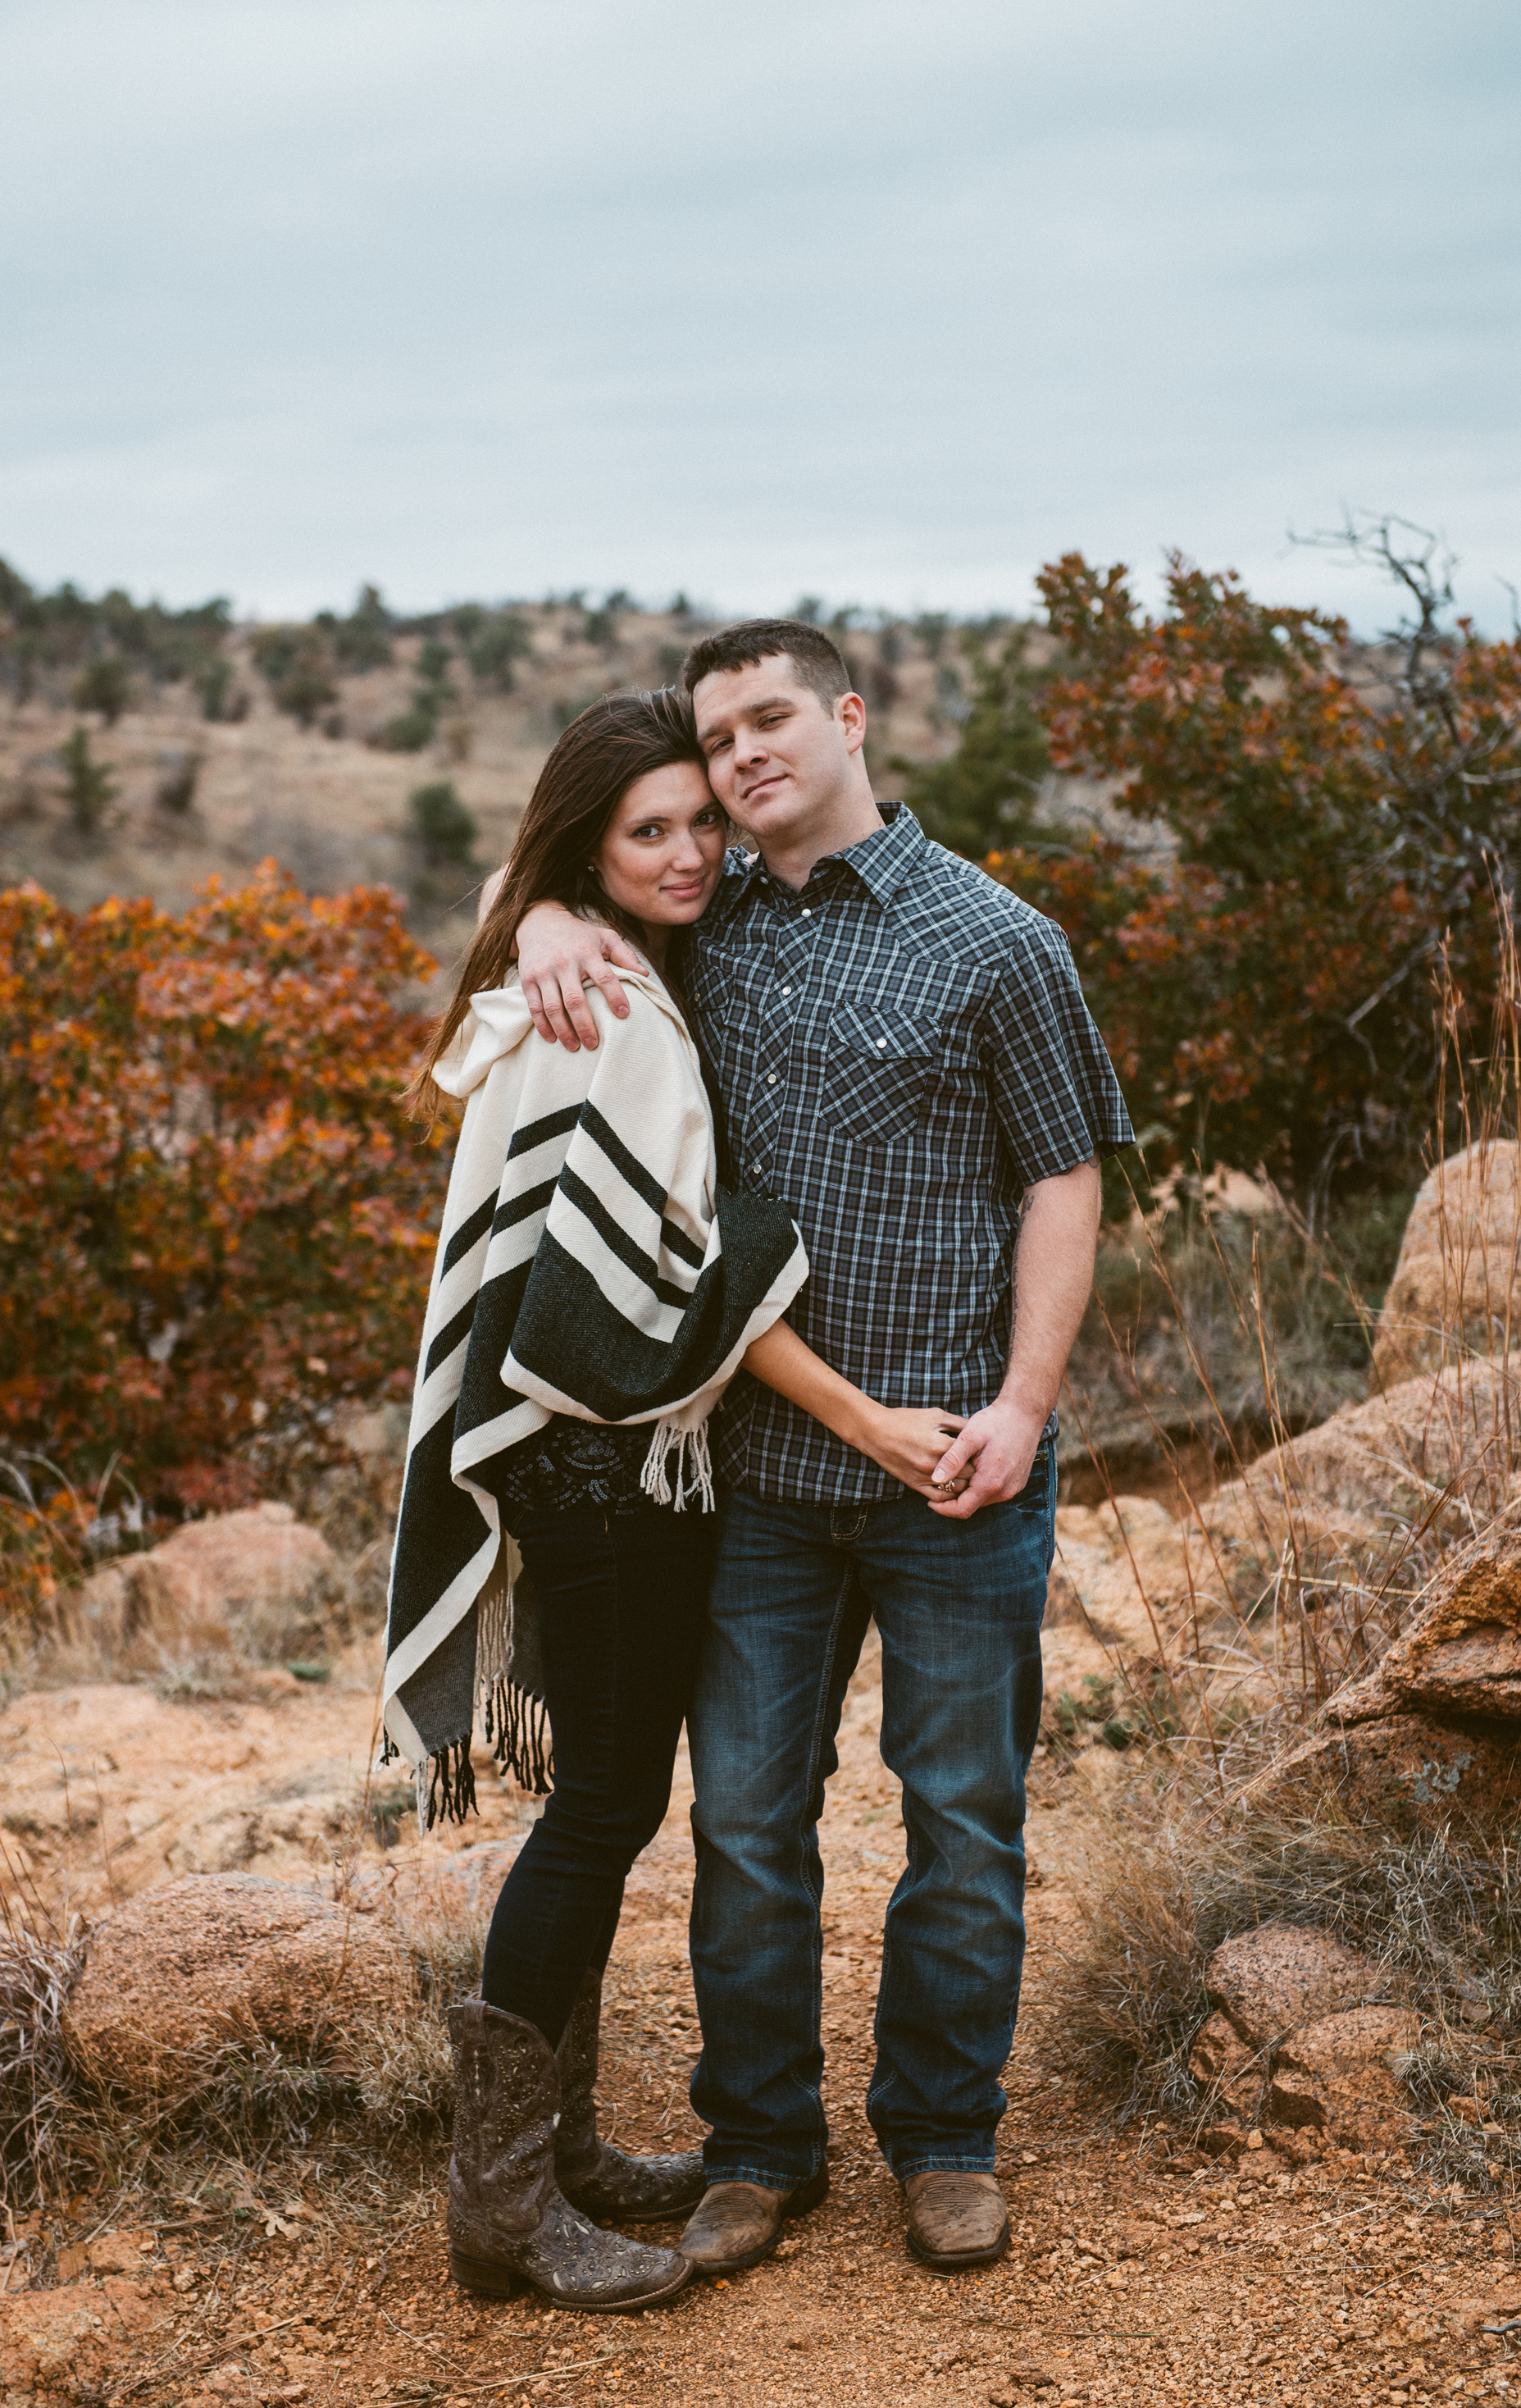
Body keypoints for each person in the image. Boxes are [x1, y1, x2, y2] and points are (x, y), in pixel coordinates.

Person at [512, 622, 1134, 2278]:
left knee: (962, 1819)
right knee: (743, 1821)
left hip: (956, 1467)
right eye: (716, 739)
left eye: (768, 718)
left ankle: (940, 2138)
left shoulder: (997, 941)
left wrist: (1019, 1404)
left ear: (847, 717)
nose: (739, 757)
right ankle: (757, 2145)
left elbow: (1064, 1175)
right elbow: (576, 914)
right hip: (762, 1484)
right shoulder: (703, 932)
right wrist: (548, 919)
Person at [385, 689, 971, 2315]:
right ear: (585, 841)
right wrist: (855, 1407)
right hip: (602, 1463)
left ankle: (553, 2154)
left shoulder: (607, 968)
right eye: (645, 832)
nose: (692, 851)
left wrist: (558, 909)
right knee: (602, 1812)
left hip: (587, 1459)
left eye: (699, 821)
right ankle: (501, 2204)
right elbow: (627, 1306)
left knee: (604, 1799)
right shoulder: (603, 1011)